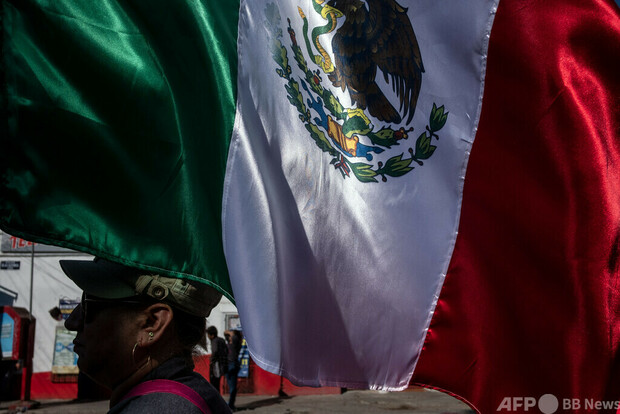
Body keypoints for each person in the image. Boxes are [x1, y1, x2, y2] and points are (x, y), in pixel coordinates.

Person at [61, 257, 232, 413]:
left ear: (152, 323)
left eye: (88, 304)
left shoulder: (157, 408)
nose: (71, 322)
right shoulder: (189, 394)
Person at [223, 330, 242, 411]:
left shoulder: (236, 343)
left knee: (232, 387)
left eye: (231, 335)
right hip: (227, 365)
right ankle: (230, 404)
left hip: (233, 365)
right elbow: (224, 333)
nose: (229, 336)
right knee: (231, 386)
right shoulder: (229, 343)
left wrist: (229, 331)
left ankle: (231, 405)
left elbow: (230, 334)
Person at [206, 326, 228, 394]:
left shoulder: (214, 341)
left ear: (212, 335)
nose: (208, 337)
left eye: (208, 335)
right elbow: (226, 351)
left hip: (216, 365)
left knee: (214, 384)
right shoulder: (221, 340)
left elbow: (215, 351)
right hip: (222, 365)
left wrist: (211, 360)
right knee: (217, 384)